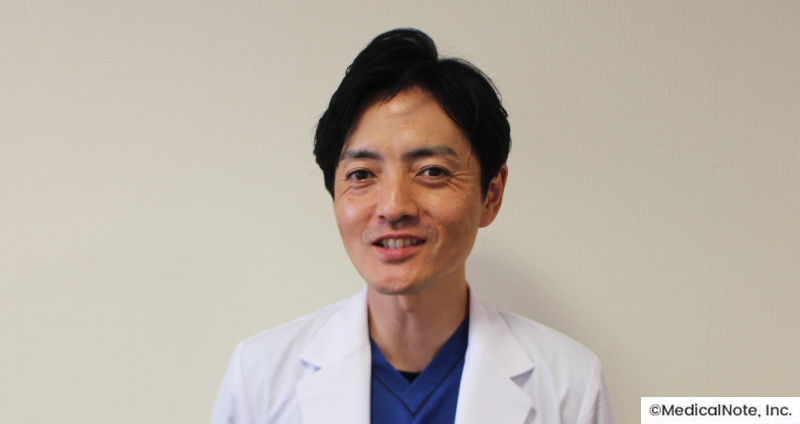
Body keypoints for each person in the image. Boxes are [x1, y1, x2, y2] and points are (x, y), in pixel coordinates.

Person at [210, 28, 616, 424]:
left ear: (491, 195)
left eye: (432, 171)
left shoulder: (571, 385)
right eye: (362, 174)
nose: (393, 207)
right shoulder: (258, 379)